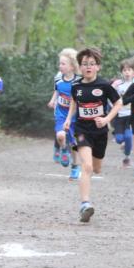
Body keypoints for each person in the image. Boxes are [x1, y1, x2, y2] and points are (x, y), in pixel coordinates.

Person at [63, 47, 122, 222]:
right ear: (80, 67)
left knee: (96, 168)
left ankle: (86, 198)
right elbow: (74, 102)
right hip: (81, 130)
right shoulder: (76, 86)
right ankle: (85, 204)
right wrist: (68, 119)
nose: (88, 67)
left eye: (91, 64)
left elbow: (118, 103)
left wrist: (107, 119)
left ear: (98, 67)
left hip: (100, 132)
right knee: (86, 167)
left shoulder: (104, 86)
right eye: (84, 64)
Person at [47, 48, 81, 179]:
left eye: (63, 64)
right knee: (60, 135)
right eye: (59, 63)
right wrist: (52, 100)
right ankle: (64, 149)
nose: (60, 66)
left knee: (74, 143)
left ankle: (75, 166)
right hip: (61, 114)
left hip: (75, 117)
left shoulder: (79, 81)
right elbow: (57, 91)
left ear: (72, 67)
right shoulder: (58, 79)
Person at [111, 58, 134, 168]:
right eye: (124, 70)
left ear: (133, 72)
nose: (127, 72)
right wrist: (113, 106)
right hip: (120, 116)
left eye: (129, 70)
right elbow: (110, 95)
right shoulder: (118, 84)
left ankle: (127, 158)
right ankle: (124, 146)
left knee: (128, 137)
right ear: (121, 72)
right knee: (119, 139)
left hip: (131, 116)